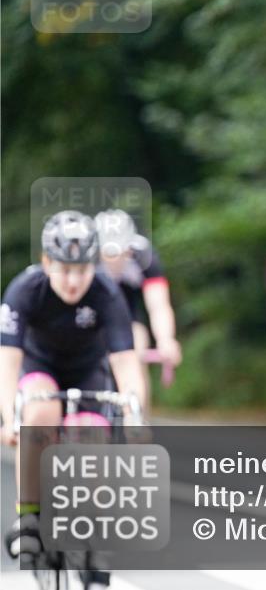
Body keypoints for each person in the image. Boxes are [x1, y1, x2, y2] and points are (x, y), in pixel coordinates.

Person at [1, 210, 146, 588]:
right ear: (47, 262)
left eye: (82, 270)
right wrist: (8, 418)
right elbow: (7, 362)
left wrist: (135, 413)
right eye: (64, 269)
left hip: (86, 371)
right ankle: (29, 515)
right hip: (37, 367)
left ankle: (93, 537)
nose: (73, 281)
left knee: (90, 435)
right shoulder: (24, 290)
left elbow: (126, 364)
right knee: (42, 408)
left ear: (93, 266)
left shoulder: (105, 292)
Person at [95, 209, 182, 411]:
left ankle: (137, 417)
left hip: (128, 306)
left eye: (120, 252)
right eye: (108, 253)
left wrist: (165, 339)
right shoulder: (85, 256)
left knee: (135, 346)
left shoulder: (144, 255)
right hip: (95, 304)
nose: (114, 259)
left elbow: (158, 305)